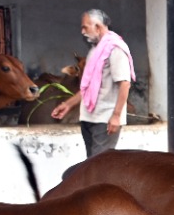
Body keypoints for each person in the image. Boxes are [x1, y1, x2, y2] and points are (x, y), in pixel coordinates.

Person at [51, 8, 132, 157]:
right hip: (89, 117)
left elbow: (125, 84)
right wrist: (68, 104)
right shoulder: (95, 50)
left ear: (98, 26)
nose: (82, 31)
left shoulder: (115, 49)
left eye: (85, 27)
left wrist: (116, 116)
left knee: (100, 166)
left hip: (105, 119)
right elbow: (88, 87)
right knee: (91, 165)